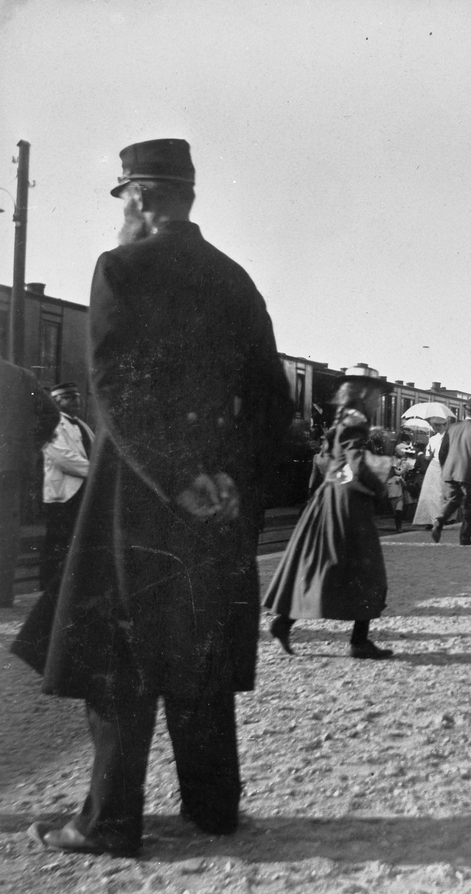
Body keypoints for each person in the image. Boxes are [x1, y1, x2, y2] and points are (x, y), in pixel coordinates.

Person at [16, 139, 293, 857]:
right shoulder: (235, 278)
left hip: (137, 499)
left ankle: (108, 821)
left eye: (123, 198)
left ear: (139, 195)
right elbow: (271, 396)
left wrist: (177, 479)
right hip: (220, 505)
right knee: (199, 653)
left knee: (117, 659)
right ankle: (212, 808)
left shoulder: (122, 267)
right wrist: (232, 481)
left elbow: (118, 392)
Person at [264, 366, 394, 660]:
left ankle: (284, 622)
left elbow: (332, 459)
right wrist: (379, 487)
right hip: (348, 501)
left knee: (324, 563)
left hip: (332, 496)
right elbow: (354, 461)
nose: (378, 402)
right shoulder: (356, 418)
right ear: (363, 393)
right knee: (367, 569)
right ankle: (359, 641)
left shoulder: (342, 417)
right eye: (376, 396)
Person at [0, 360, 60, 608]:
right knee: (6, 529)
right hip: (11, 464)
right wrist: (31, 446)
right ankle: (3, 595)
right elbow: (52, 414)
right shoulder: (22, 376)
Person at [39, 383, 94, 598]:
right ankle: (47, 587)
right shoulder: (52, 424)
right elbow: (63, 458)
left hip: (81, 490)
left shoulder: (82, 425)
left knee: (76, 538)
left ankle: (70, 588)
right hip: (62, 492)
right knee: (56, 540)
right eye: (69, 398)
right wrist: (95, 471)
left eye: (78, 397)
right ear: (57, 401)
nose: (76, 402)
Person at [432, 398, 471, 545]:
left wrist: (445, 468)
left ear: (466, 411)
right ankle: (464, 538)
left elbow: (442, 452)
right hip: (468, 474)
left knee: (453, 500)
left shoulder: (451, 428)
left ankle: (439, 520)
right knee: (469, 506)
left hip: (449, 472)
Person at [412, 419, 448, 528]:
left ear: (445, 424)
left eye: (439, 425)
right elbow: (428, 456)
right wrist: (427, 454)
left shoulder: (448, 437)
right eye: (435, 426)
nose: (437, 428)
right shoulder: (433, 439)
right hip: (433, 467)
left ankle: (438, 519)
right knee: (429, 493)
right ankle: (429, 519)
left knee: (439, 493)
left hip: (443, 466)